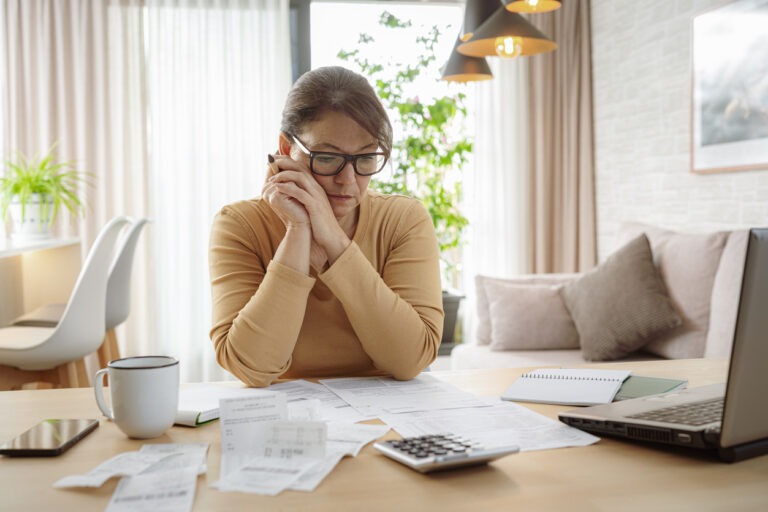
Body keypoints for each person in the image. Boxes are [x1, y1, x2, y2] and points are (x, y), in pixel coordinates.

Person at [208, 66, 444, 387]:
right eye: (327, 157)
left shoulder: (402, 219)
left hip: (386, 411)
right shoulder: (239, 225)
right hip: (286, 417)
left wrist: (334, 240)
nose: (348, 180)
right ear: (285, 147)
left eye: (365, 157)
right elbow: (252, 367)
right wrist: (298, 231)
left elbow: (410, 360)